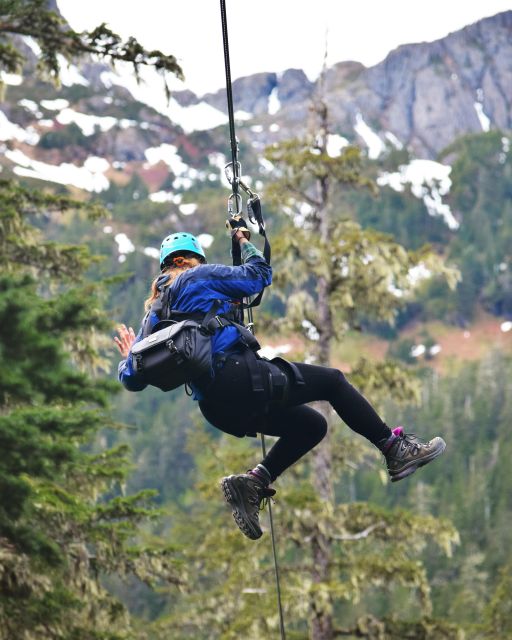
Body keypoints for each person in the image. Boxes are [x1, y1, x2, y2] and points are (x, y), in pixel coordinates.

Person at [115, 223, 446, 541]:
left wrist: (130, 352)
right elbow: (259, 276)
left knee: (311, 425)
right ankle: (395, 448)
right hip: (241, 379)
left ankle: (253, 482)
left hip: (217, 409)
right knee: (332, 382)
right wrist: (245, 243)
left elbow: (132, 378)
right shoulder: (197, 277)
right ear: (193, 259)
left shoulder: (154, 315)